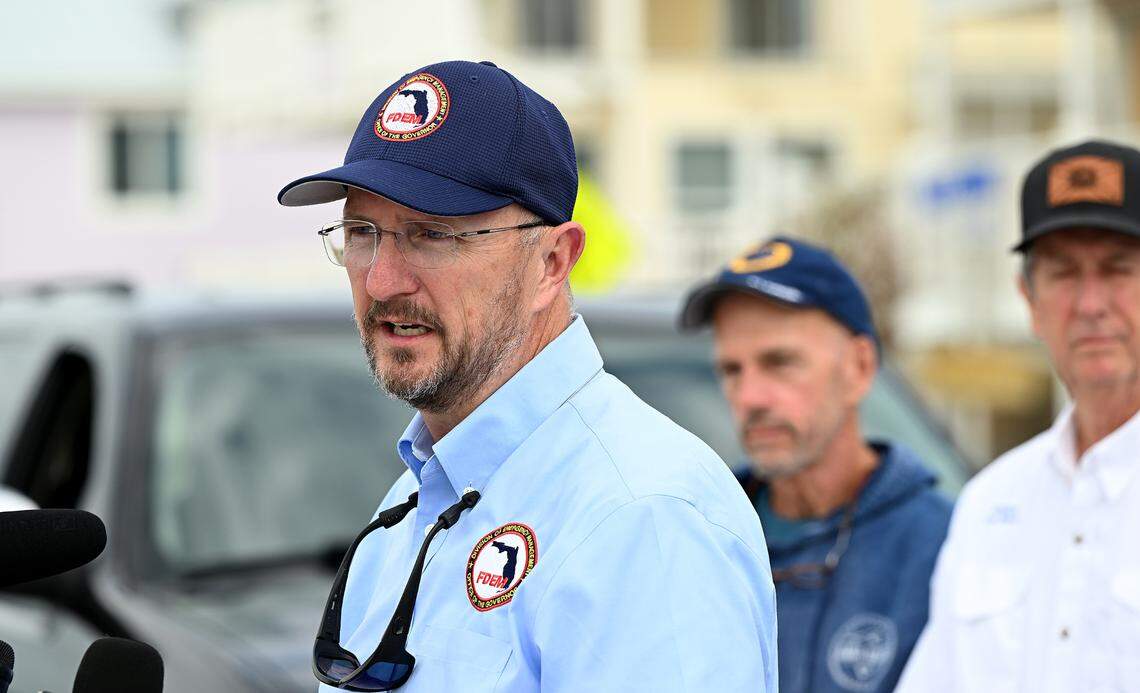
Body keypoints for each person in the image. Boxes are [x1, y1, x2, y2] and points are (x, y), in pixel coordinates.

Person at [277, 60, 777, 692]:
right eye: (361, 232)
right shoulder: (410, 510)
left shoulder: (640, 516)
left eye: (432, 235)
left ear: (552, 262)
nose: (381, 280)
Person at [897, 139, 1140, 692]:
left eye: (1117, 269)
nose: (1090, 304)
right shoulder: (989, 503)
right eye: (1063, 273)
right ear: (1029, 300)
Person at [679, 237, 952, 693]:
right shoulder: (696, 537)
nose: (750, 398)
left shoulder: (946, 547)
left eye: (779, 362)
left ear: (859, 367)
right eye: (731, 371)